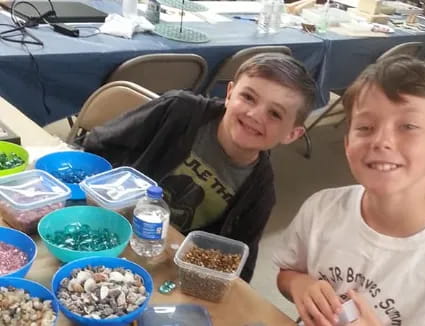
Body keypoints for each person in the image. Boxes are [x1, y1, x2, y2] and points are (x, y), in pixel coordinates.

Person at [273, 55, 425, 325]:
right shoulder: (321, 208)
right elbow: (288, 272)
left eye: (409, 127)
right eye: (366, 127)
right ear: (347, 144)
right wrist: (301, 285)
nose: (381, 141)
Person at [83, 53, 316, 282]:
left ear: (292, 134)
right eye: (248, 97)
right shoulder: (178, 110)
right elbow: (99, 146)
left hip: (162, 269)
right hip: (105, 225)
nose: (254, 114)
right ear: (229, 93)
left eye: (274, 114)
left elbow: (238, 268)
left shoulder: (260, 193)